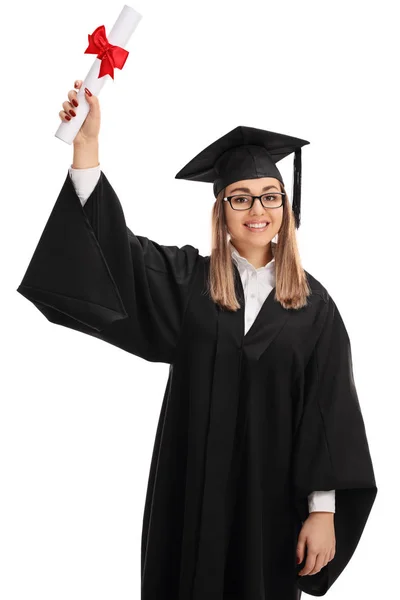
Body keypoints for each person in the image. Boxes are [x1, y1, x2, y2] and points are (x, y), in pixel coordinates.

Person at [16, 80, 377, 600]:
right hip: (189, 493)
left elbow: (329, 413)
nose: (258, 208)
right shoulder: (190, 281)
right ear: (222, 211)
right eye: (241, 197)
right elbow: (117, 258)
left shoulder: (314, 307)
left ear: (285, 207)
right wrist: (87, 147)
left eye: (270, 196)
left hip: (268, 505)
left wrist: (323, 511)